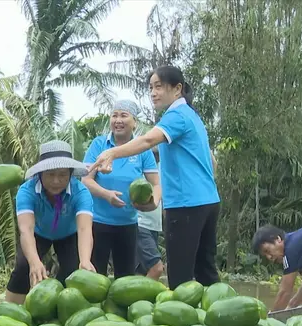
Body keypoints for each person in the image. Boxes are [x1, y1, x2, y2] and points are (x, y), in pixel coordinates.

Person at [88, 66, 220, 290]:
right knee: (205, 270)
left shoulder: (176, 116)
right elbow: (212, 161)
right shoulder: (192, 116)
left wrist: (112, 152)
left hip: (186, 204)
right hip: (208, 200)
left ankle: (183, 324)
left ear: (177, 89)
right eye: (150, 88)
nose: (153, 93)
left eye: (159, 86)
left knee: (180, 277)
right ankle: (225, 319)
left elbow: (147, 141)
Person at [6, 140, 96, 304]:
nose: (56, 181)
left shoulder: (81, 192)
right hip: (38, 233)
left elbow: (84, 229)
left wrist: (85, 260)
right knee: (24, 268)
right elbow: (26, 229)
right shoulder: (27, 191)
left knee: (74, 273)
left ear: (70, 173)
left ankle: (61, 315)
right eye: (50, 174)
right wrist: (34, 262)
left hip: (70, 234)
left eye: (62, 175)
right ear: (40, 173)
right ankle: (9, 312)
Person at [82, 99, 161, 279]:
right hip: (97, 223)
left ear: (134, 123)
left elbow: (156, 184)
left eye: (124, 115)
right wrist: (106, 194)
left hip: (128, 224)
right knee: (94, 278)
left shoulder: (143, 150)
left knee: (125, 279)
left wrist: (153, 202)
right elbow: (86, 179)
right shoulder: (98, 145)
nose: (118, 120)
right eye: (114, 115)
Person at [135, 146, 164, 280]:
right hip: (141, 224)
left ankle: (136, 299)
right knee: (156, 268)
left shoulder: (162, 169)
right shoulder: (138, 167)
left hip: (154, 227)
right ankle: (141, 301)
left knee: (141, 271)